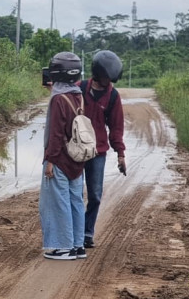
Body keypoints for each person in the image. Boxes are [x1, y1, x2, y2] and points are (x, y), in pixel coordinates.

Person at [40, 52, 88, 260]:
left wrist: (50, 160)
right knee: (75, 201)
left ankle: (63, 247)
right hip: (77, 158)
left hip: (59, 158)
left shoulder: (58, 99)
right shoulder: (78, 95)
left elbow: (56, 133)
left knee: (58, 202)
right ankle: (78, 245)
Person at [79, 50, 126, 249]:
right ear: (98, 74)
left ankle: (87, 233)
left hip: (97, 152)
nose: (109, 81)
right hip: (76, 149)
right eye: (107, 77)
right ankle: (73, 233)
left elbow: (116, 127)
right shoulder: (79, 88)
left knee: (95, 195)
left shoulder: (113, 96)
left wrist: (120, 154)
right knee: (73, 195)